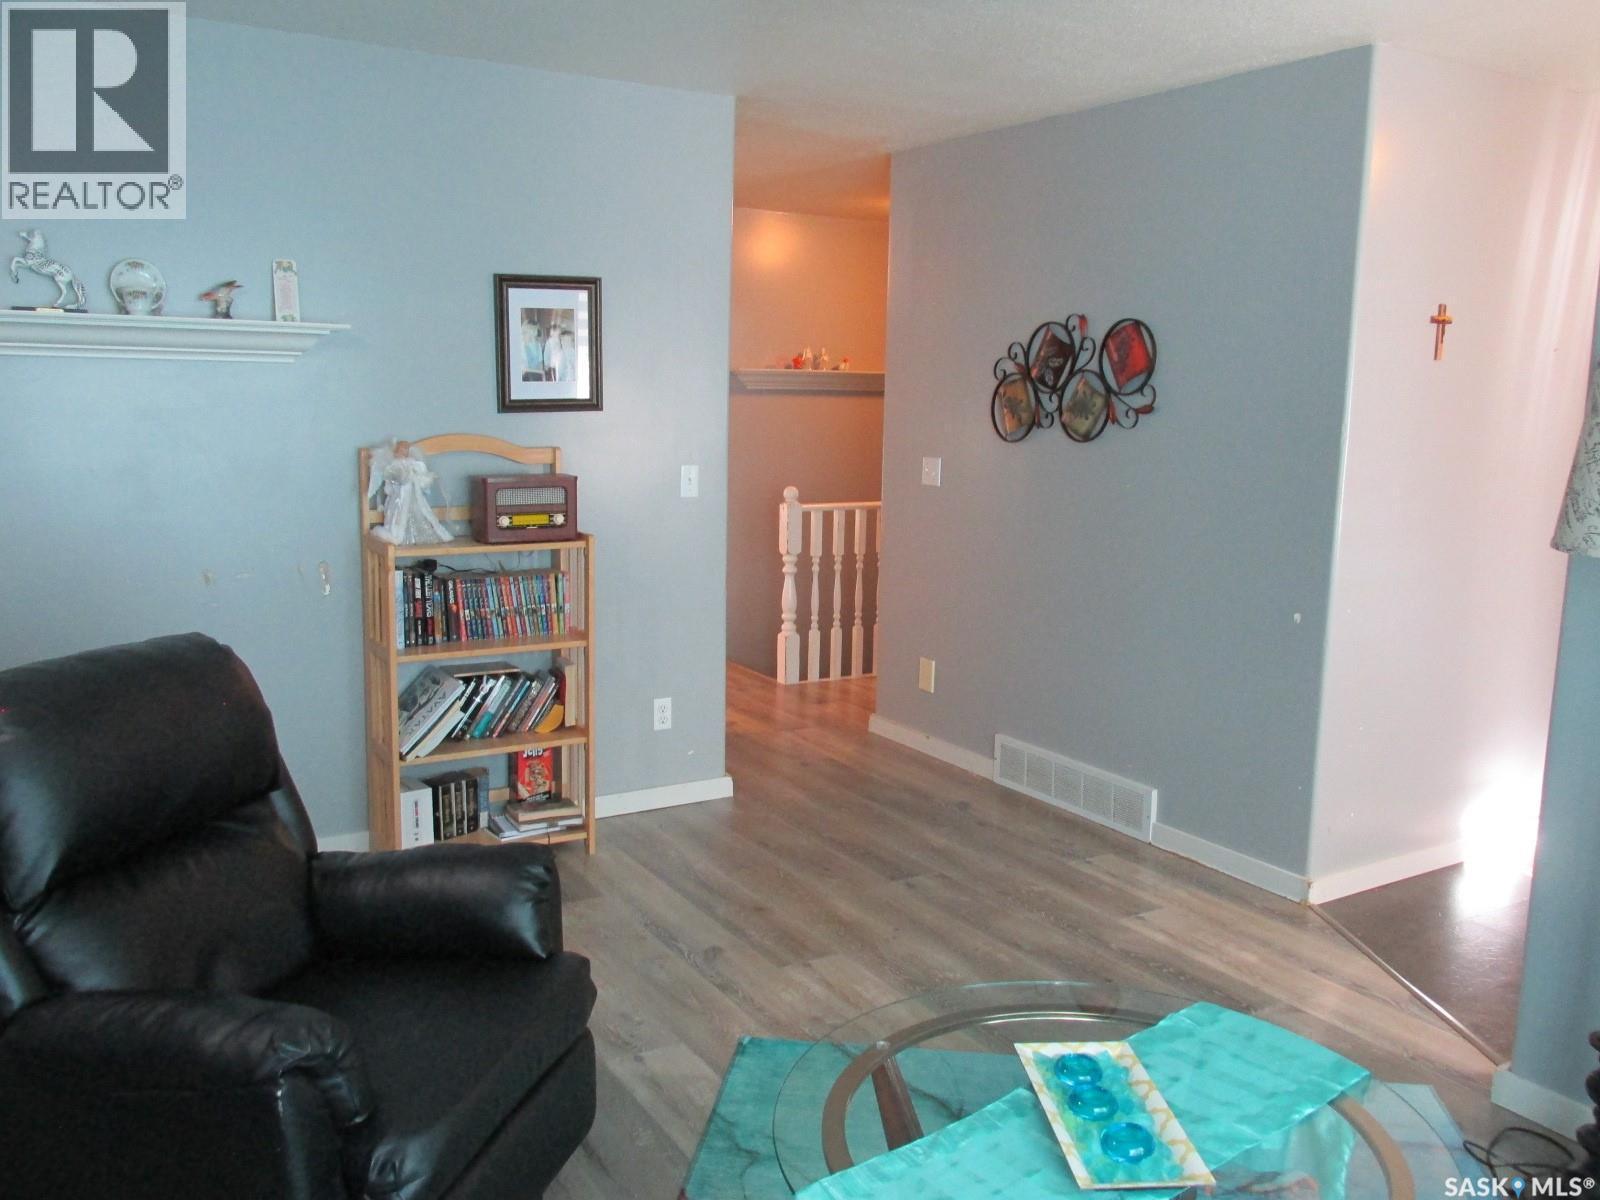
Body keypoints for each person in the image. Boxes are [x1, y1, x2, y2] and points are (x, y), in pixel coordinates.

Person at [521, 316, 544, 382]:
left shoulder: (538, 345)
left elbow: (540, 363)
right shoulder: (522, 346)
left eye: (525, 333)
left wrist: (541, 372)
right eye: (523, 333)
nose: (523, 336)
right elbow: (523, 368)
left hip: (537, 375)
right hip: (527, 376)